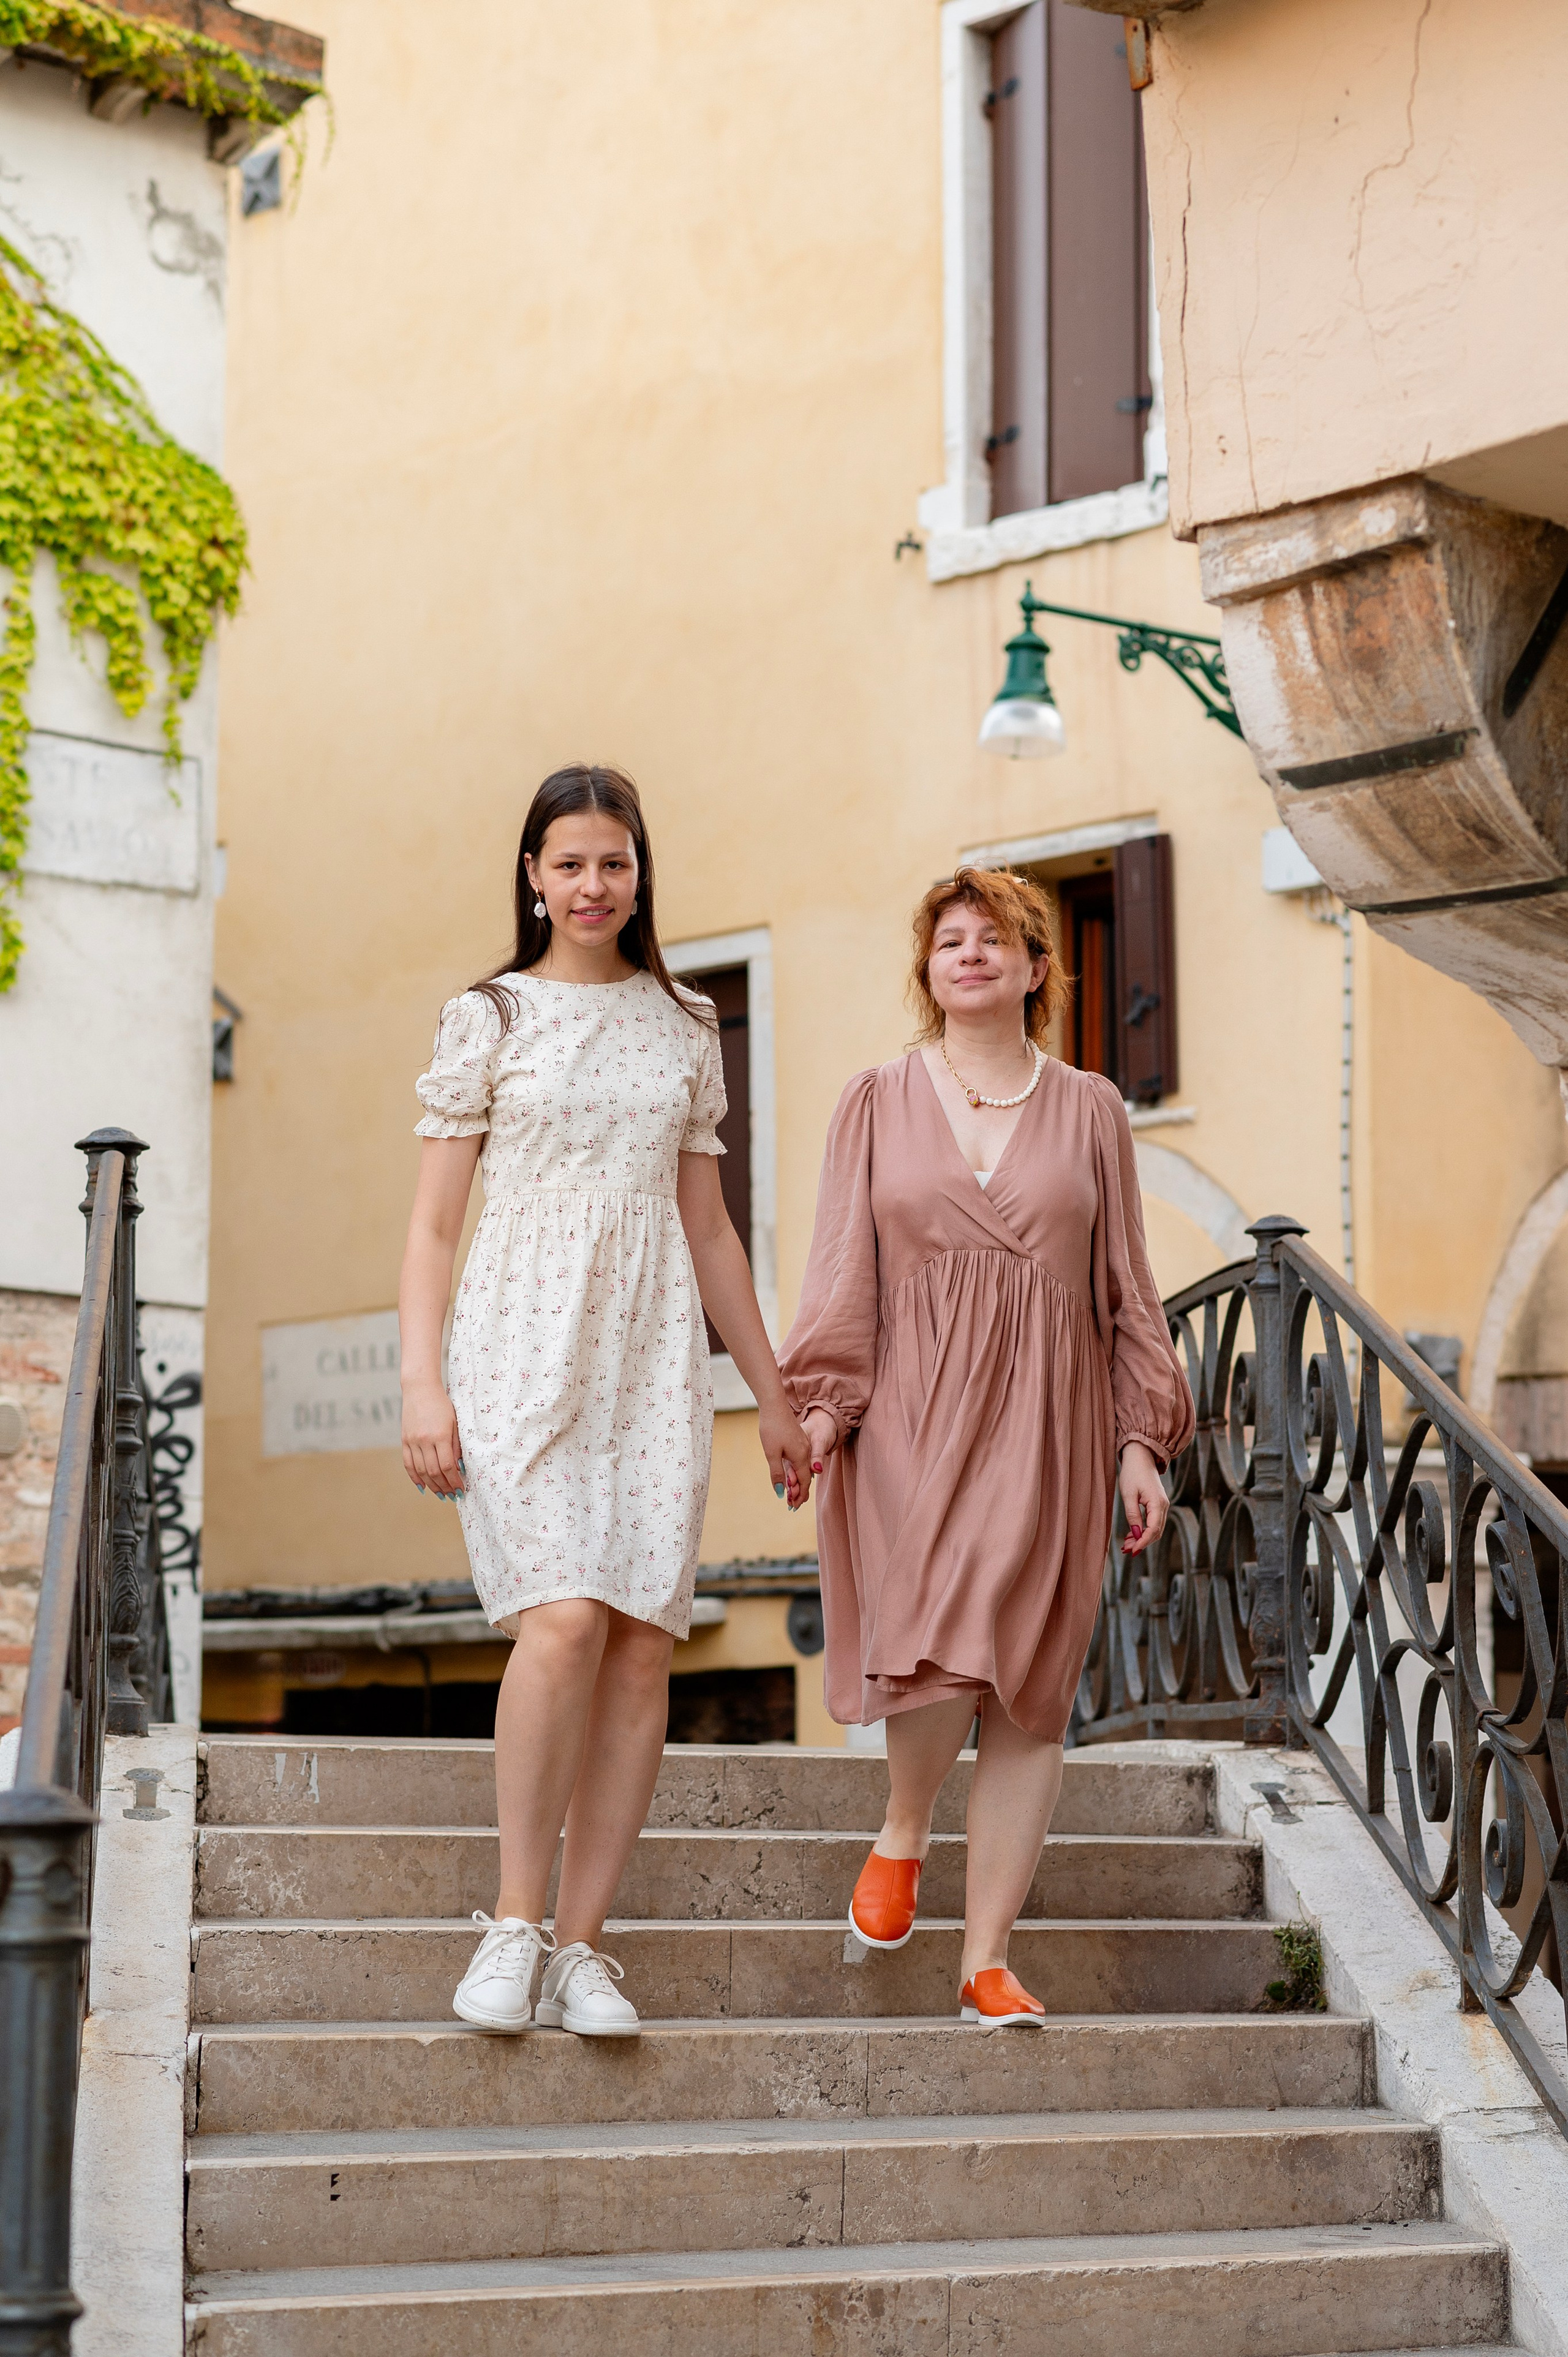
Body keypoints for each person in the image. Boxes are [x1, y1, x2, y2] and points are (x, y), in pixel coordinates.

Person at [399, 763, 812, 2038]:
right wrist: (422, 1379)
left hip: (649, 1356)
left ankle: (584, 1945)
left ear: (640, 874)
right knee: (566, 1618)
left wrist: (774, 1391)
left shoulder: (685, 1022)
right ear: (531, 872)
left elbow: (711, 1232)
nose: (592, 884)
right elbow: (430, 1227)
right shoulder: (490, 1018)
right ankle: (513, 1924)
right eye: (569, 861)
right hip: (518, 1338)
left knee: (642, 1637)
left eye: (613, 862)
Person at [779, 866, 1194, 2026]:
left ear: (1034, 968)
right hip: (912, 1412)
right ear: (929, 970)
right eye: (948, 940)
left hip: (1051, 1418)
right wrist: (821, 1410)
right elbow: (841, 1273)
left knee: (1028, 1690)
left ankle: (988, 1958)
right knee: (938, 1638)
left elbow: (1127, 1289)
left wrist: (1138, 1441)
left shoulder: (1093, 1109)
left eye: (994, 938)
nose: (969, 954)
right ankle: (906, 1827)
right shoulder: (873, 1100)